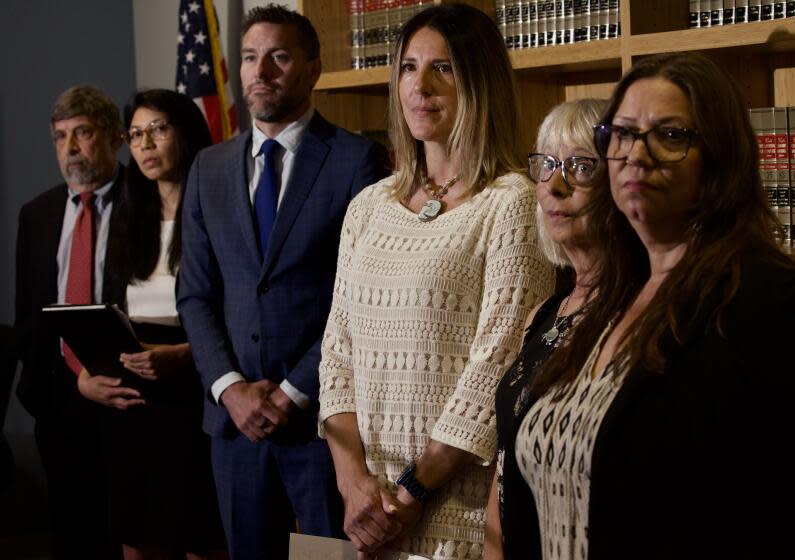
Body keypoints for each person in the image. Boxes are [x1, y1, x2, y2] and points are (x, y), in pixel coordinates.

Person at [514, 51, 795, 560]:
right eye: (621, 135)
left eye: (669, 136)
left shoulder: (779, 306)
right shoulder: (607, 300)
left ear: (720, 158)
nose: (636, 156)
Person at [318, 4, 554, 559]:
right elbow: (336, 353)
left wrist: (414, 490)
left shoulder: (513, 202)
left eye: (442, 69)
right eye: (408, 68)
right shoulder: (367, 207)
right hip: (368, 515)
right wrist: (352, 483)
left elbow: (496, 365)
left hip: (458, 512)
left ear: (480, 83)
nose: (419, 86)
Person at [176, 4, 390, 559]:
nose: (260, 72)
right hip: (234, 428)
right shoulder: (208, 169)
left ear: (313, 68)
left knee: (324, 556)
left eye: (278, 56)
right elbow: (196, 293)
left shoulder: (356, 161)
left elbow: (359, 301)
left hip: (322, 425)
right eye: (249, 57)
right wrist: (229, 387)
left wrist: (293, 391)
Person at [76, 89, 227, 560]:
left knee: (201, 539)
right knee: (139, 541)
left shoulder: (219, 212)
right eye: (135, 134)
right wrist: (88, 373)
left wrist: (185, 355)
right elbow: (110, 308)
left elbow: (232, 314)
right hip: (135, 403)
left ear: (184, 132)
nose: (144, 144)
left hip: (195, 396)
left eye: (158, 129)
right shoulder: (127, 215)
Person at [482, 99, 610, 560]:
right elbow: (504, 464)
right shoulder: (543, 314)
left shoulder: (633, 317)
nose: (554, 186)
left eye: (579, 167)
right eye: (546, 165)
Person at [14, 85, 125, 559]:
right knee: (72, 538)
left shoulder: (146, 203)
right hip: (60, 403)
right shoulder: (36, 215)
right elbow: (29, 316)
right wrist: (42, 391)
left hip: (124, 397)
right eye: (61, 137)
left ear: (113, 137)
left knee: (124, 535)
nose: (71, 149)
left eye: (82, 133)